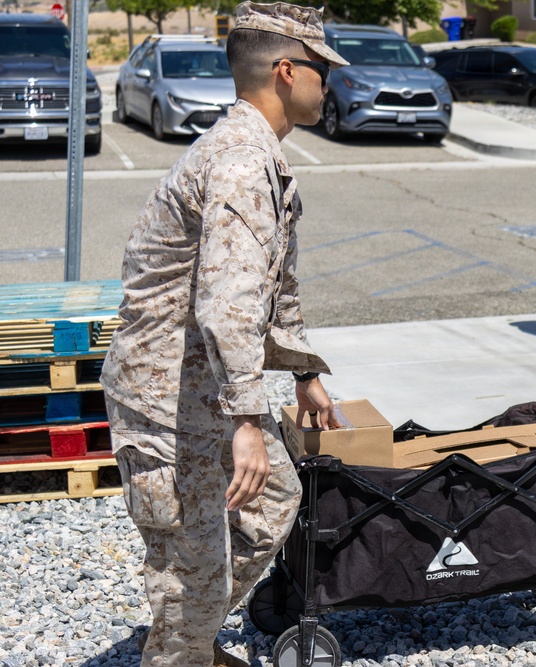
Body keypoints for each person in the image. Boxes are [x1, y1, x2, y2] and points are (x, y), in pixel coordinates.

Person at [99, 3, 349, 665]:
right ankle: (184, 643)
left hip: (203, 388)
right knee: (190, 571)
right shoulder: (241, 163)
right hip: (164, 402)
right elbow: (228, 300)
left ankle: (192, 631)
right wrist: (246, 417)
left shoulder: (261, 157)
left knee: (273, 501)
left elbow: (273, 282)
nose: (330, 83)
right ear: (288, 71)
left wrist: (303, 370)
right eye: (322, 70)